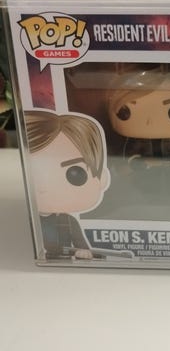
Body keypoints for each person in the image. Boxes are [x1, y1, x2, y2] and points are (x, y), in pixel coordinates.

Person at [25, 110, 110, 259]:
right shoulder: (25, 220)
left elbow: (83, 248)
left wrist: (83, 253)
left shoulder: (68, 222)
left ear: (101, 178)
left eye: (75, 174)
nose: (43, 186)